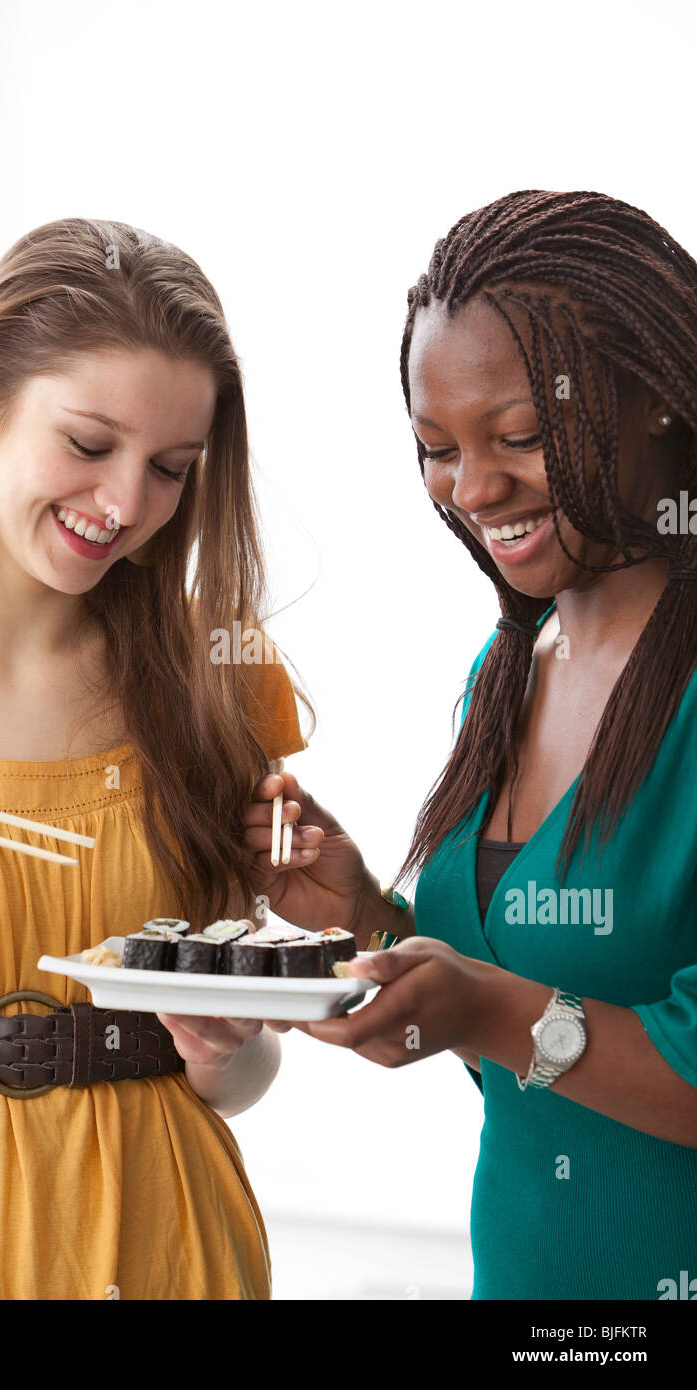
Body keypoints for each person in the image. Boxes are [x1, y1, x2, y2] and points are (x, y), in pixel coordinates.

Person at [0, 217, 312, 1300]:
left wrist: (225, 1044)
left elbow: (234, 1077)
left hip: (157, 1245)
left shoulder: (214, 677)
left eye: (170, 469)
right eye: (89, 445)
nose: (125, 505)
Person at [244, 190, 697, 1300]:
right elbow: (533, 1034)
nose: (474, 487)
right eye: (436, 447)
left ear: (652, 399)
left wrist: (486, 1006)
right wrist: (364, 916)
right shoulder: (504, 676)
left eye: (521, 437)